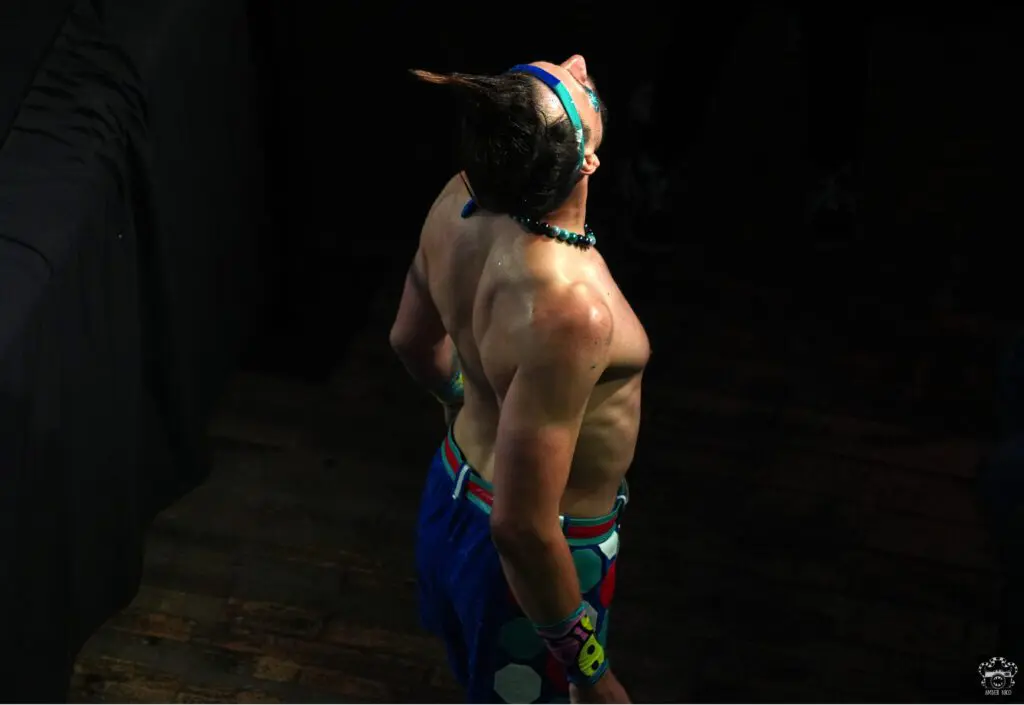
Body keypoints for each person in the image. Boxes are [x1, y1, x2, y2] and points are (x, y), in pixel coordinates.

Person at [389, 56, 647, 703]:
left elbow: (410, 341)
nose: (580, 63)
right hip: (526, 563)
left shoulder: (459, 199)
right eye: (573, 82)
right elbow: (522, 527)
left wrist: (467, 398)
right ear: (586, 163)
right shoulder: (573, 312)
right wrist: (593, 673)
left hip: (449, 493)